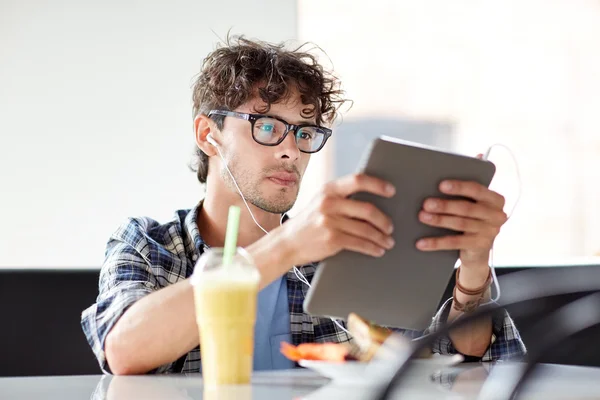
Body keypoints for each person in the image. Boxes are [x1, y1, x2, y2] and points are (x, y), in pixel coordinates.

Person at [81, 36, 526, 375]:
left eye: (305, 133)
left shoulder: (344, 257)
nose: (292, 151)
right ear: (207, 134)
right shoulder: (149, 246)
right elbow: (123, 350)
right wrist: (287, 247)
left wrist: (472, 269)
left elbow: (455, 365)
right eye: (268, 127)